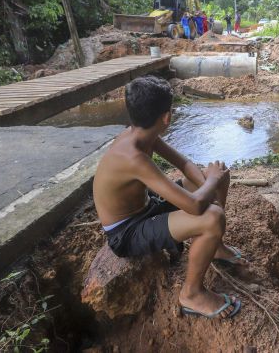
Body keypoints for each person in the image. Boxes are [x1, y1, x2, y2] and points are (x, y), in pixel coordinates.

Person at [93, 76, 247, 320]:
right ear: (167, 117)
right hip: (127, 231)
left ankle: (214, 246)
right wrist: (211, 183)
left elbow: (184, 164)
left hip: (145, 209)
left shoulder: (142, 134)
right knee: (212, 217)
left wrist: (210, 180)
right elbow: (196, 206)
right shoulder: (132, 157)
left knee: (216, 177)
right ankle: (191, 294)